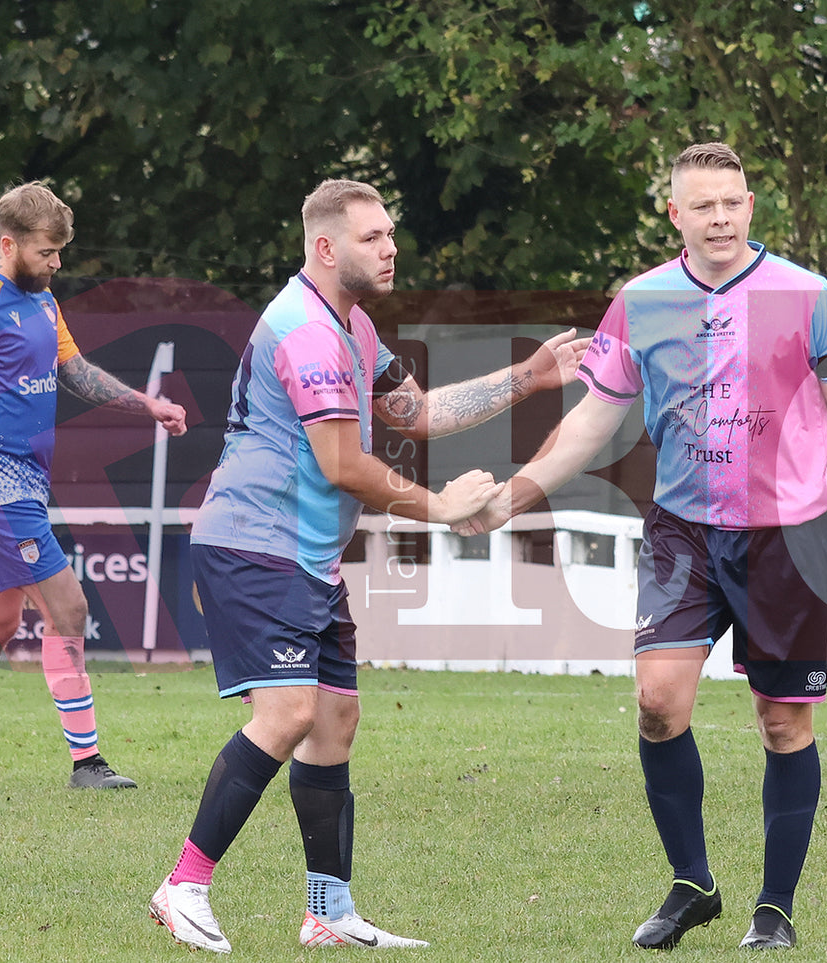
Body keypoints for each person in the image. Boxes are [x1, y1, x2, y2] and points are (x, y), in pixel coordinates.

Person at [454, 142, 827, 952]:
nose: (719, 217)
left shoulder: (807, 295)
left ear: (750, 206)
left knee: (783, 723)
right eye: (702, 204)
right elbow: (591, 420)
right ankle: (692, 883)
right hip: (681, 530)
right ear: (674, 214)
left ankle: (774, 909)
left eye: (731, 201)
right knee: (657, 703)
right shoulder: (639, 301)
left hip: (788, 534)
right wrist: (514, 495)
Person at [148, 177, 590, 954]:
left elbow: (412, 413)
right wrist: (441, 507)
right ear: (325, 247)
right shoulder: (308, 333)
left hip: (303, 556)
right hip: (255, 546)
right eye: (371, 237)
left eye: (389, 233)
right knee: (286, 715)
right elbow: (344, 464)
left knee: (334, 722)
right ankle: (183, 883)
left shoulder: (350, 328)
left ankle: (327, 910)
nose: (390, 248)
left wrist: (530, 377)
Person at [0, 181, 188, 792]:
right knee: (71, 609)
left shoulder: (40, 299)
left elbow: (75, 370)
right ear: (8, 243)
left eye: (60, 253)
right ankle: (87, 764)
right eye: (46, 253)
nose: (57, 264)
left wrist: (147, 404)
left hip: (26, 483)